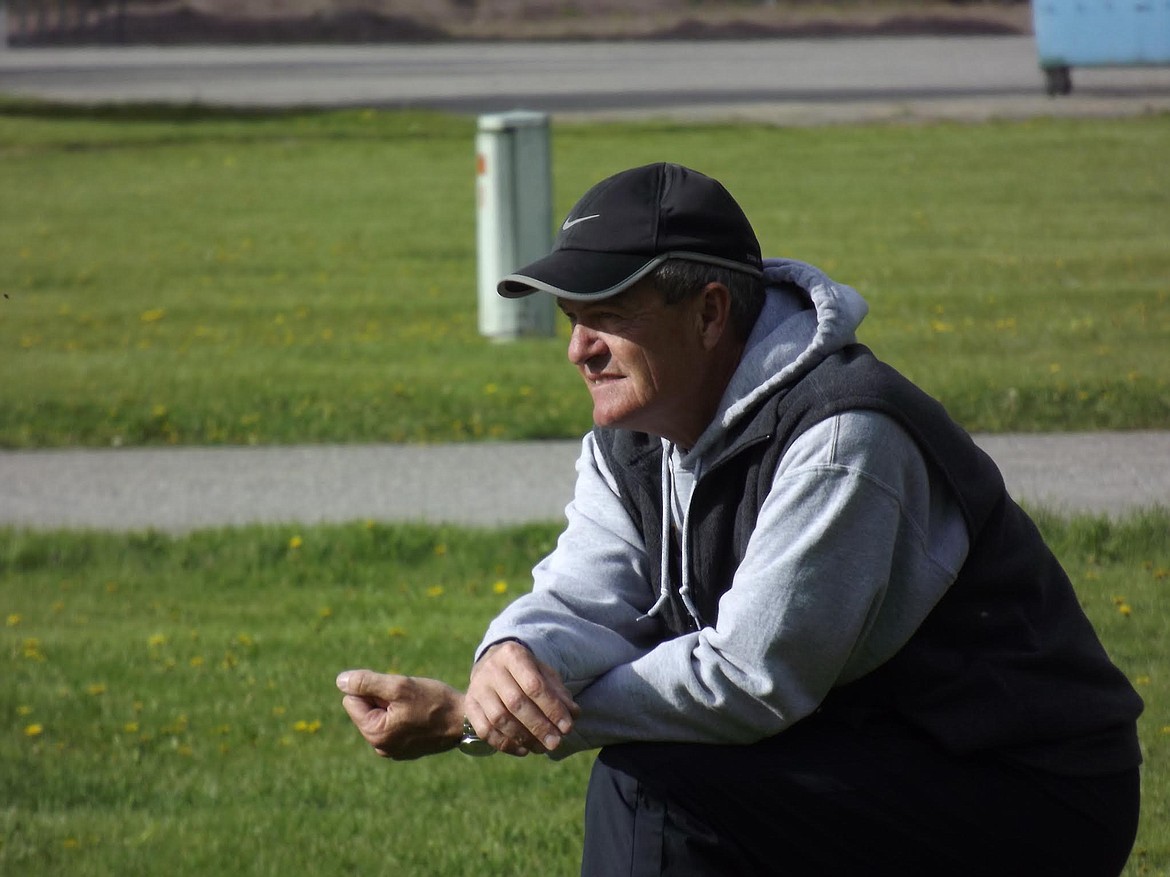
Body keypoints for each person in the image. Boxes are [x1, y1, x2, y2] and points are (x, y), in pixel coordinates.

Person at [337, 162, 1143, 875]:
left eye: (609, 313)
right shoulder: (630, 443)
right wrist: (512, 655)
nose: (579, 348)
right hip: (872, 753)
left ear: (711, 313)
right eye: (570, 316)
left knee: (651, 786)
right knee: (669, 780)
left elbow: (750, 681)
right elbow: (585, 600)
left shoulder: (843, 436)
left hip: (1028, 793)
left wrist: (476, 723)